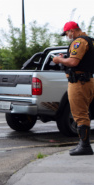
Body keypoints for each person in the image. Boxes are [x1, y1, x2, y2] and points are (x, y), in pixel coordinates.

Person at [53, 21, 94, 156]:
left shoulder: (79, 42)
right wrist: (66, 58)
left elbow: (73, 62)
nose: (67, 36)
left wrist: (60, 60)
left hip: (79, 82)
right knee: (83, 112)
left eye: (67, 33)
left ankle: (85, 146)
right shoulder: (89, 40)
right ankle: (83, 144)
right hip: (86, 80)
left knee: (80, 113)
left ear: (72, 31)